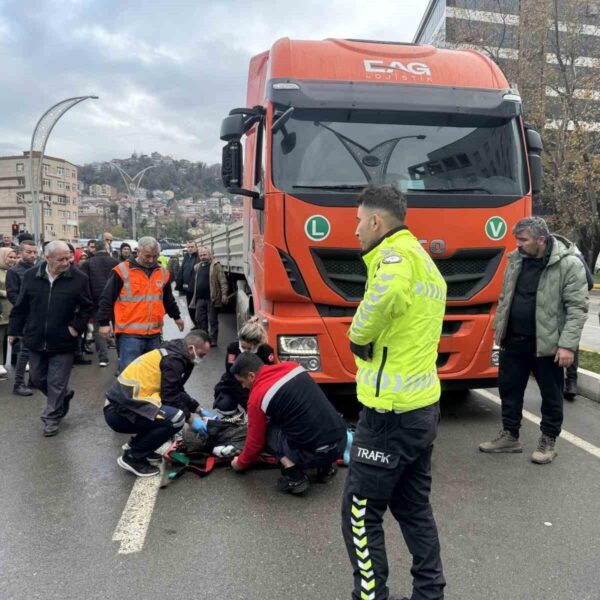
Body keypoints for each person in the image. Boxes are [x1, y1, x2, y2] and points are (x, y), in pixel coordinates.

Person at [343, 185, 447, 600]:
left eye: (357, 222)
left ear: (375, 221)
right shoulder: (425, 261)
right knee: (413, 508)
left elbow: (382, 297)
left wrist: (356, 335)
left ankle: (370, 597)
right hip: (421, 408)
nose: (354, 232)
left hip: (388, 414)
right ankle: (429, 593)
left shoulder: (395, 257)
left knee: (360, 513)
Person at [480, 217, 588, 463]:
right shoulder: (516, 259)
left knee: (551, 394)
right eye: (517, 239)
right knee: (509, 389)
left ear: (541, 240)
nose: (518, 244)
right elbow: (506, 296)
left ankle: (548, 440)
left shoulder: (568, 264)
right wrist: (499, 328)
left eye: (523, 240)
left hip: (547, 345)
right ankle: (510, 435)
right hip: (514, 340)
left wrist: (567, 345)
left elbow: (577, 308)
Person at [8, 240, 94, 437]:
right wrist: (14, 331)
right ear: (47, 258)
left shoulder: (78, 278)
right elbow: (21, 306)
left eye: (68, 258)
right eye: (61, 259)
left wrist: (76, 328)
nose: (66, 263)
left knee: (56, 381)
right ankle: (64, 396)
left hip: (64, 339)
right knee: (37, 379)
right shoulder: (31, 276)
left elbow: (87, 306)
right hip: (36, 338)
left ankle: (51, 418)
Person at [230, 353, 347, 494]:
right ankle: (326, 468)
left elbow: (255, 443)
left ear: (251, 376)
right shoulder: (293, 367)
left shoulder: (257, 397)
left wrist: (239, 463)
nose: (243, 387)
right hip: (340, 443)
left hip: (311, 455)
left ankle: (294, 476)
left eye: (242, 382)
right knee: (312, 418)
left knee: (267, 430)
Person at [104, 329, 211, 477]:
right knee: (176, 418)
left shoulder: (175, 352)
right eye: (202, 354)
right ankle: (133, 457)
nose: (202, 358)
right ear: (191, 348)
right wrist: (191, 419)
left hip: (124, 405)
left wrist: (198, 408)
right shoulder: (174, 360)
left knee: (165, 412)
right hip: (119, 411)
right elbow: (171, 397)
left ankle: (137, 447)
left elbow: (175, 389)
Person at [97, 236, 184, 373]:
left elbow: (167, 299)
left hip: (154, 334)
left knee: (151, 373)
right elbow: (106, 299)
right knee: (130, 374)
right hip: (129, 335)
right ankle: (125, 395)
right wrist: (103, 323)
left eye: (155, 256)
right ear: (138, 252)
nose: (151, 260)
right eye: (147, 256)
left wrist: (177, 317)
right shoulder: (121, 271)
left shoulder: (162, 273)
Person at [214, 316, 275, 415]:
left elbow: (269, 377)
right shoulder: (233, 348)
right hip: (236, 383)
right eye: (243, 347)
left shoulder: (266, 351)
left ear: (256, 344)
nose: (245, 351)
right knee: (225, 404)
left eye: (248, 348)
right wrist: (247, 404)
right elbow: (231, 375)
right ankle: (237, 417)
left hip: (257, 385)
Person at [79, 239, 118, 367]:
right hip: (115, 300)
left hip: (96, 300)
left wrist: (89, 299)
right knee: (118, 326)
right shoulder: (115, 262)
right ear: (107, 248)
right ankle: (121, 354)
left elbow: (84, 283)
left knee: (98, 328)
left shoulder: (88, 263)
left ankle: (103, 357)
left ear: (95, 249)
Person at [6, 239, 38, 395]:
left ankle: (33, 380)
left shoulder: (39, 269)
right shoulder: (14, 271)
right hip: (25, 316)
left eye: (34, 252)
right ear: (20, 253)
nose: (32, 255)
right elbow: (13, 295)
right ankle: (18, 384)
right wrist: (27, 306)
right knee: (24, 350)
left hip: (38, 315)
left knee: (35, 350)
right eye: (29, 252)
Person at [563, 246, 594, 400]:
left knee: (568, 342)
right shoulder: (576, 254)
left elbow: (589, 282)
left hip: (568, 308)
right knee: (572, 343)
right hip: (576, 306)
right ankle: (571, 382)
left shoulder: (573, 257)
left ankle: (569, 382)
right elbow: (589, 283)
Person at [189, 246, 228, 346]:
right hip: (199, 299)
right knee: (200, 319)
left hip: (212, 299)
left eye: (205, 254)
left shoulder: (215, 266)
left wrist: (224, 294)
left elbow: (222, 281)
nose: (203, 257)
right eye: (201, 255)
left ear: (210, 255)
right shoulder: (197, 267)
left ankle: (213, 340)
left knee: (212, 320)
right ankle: (205, 339)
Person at [0, 247, 18, 380]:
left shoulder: (14, 271)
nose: (12, 260)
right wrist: (4, 293)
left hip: (12, 308)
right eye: (9, 257)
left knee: (10, 336)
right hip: (1, 309)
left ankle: (11, 361)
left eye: (14, 257)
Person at [175, 241, 199, 324]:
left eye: (192, 247)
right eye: (188, 247)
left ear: (196, 247)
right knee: (190, 308)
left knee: (196, 308)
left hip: (195, 288)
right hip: (186, 288)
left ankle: (200, 326)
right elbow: (182, 270)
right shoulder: (186, 256)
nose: (190, 249)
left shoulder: (198, 257)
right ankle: (195, 324)